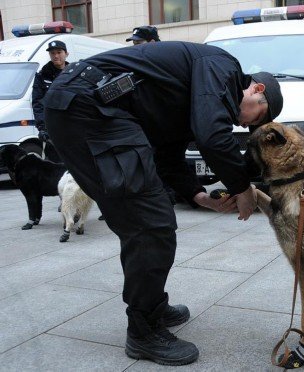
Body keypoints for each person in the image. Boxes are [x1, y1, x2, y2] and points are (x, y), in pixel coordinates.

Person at [43, 41, 283, 366]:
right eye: (258, 116)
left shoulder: (189, 98)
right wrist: (243, 188)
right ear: (256, 88)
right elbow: (212, 135)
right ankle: (143, 330)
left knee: (145, 217)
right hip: (88, 107)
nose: (245, 126)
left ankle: (151, 305)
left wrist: (200, 197)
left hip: (91, 108)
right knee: (150, 223)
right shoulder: (222, 67)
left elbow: (167, 156)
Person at [32, 40, 69, 163]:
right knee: (56, 164)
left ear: (66, 54)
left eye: (59, 52)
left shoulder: (74, 72)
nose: (56, 56)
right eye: (52, 53)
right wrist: (42, 127)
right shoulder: (42, 75)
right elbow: (37, 103)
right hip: (52, 128)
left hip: (73, 125)